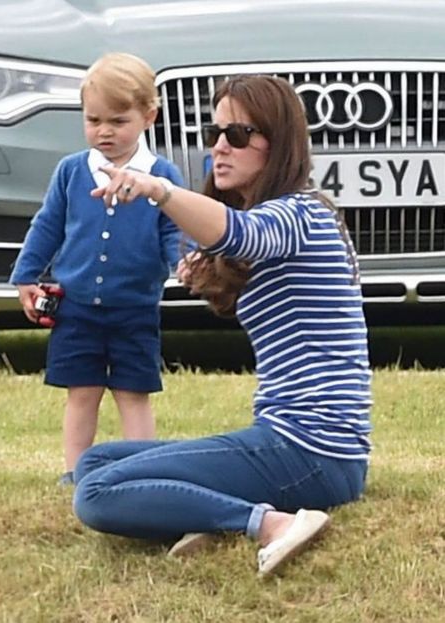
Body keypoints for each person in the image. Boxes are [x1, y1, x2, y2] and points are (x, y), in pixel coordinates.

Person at [72, 74, 372, 576]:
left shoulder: (302, 215)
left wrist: (159, 189)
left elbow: (243, 234)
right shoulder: (281, 217)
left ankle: (268, 523)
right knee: (95, 463)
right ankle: (207, 513)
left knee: (96, 495)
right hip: (289, 440)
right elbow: (227, 240)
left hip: (313, 450)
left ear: (277, 145)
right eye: (216, 134)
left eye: (237, 135)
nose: (219, 148)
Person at [10, 53, 185, 485]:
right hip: (76, 308)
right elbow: (47, 226)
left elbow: (175, 230)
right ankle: (75, 472)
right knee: (81, 392)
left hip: (135, 309)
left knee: (133, 393)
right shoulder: (71, 171)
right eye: (93, 120)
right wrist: (25, 277)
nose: (104, 131)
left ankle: (141, 471)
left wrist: (187, 262)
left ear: (149, 116)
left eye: (118, 121)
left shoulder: (162, 177)